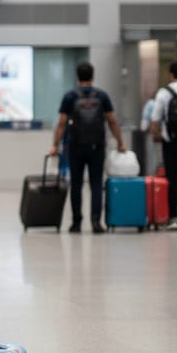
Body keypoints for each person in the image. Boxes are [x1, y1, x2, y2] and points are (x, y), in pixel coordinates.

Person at [49, 61, 126, 234]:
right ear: (92, 76)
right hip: (96, 146)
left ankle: (76, 223)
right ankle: (96, 222)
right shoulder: (101, 96)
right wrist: (120, 142)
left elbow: (61, 123)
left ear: (78, 77)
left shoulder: (70, 96)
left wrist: (55, 145)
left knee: (76, 184)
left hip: (75, 146)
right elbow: (112, 121)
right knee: (96, 184)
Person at [150, 60, 177, 230]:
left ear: (171, 74)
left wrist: (158, 137)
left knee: (172, 178)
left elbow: (155, 121)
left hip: (171, 142)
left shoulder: (164, 92)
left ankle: (173, 217)